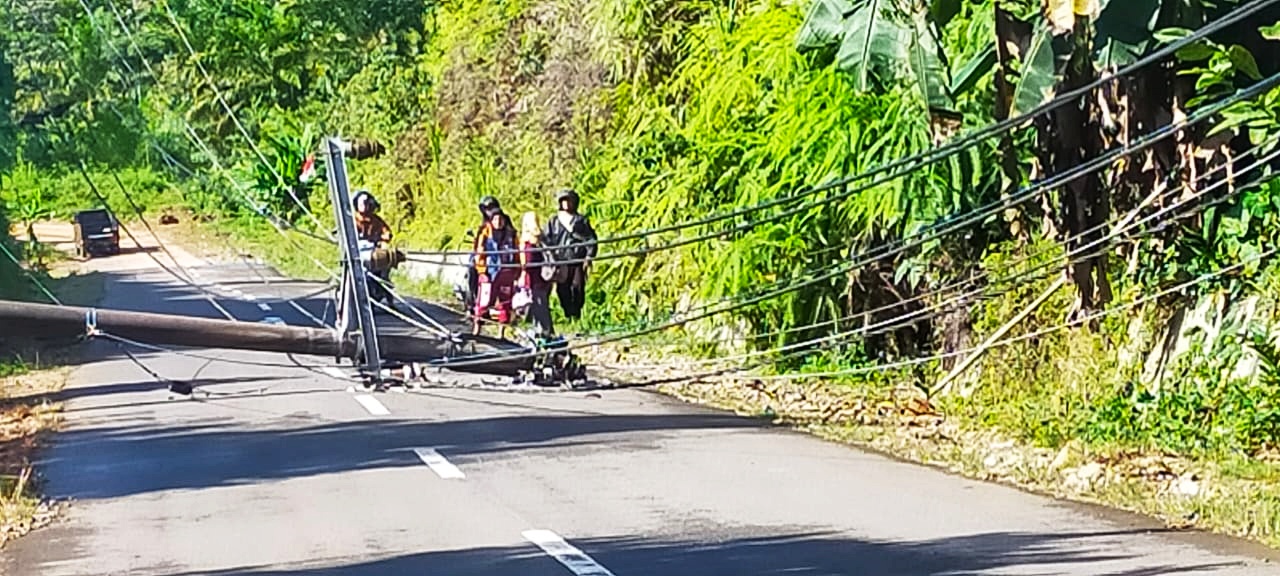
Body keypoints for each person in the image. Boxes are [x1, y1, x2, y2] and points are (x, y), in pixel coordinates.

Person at [542, 188, 597, 321]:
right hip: (560, 261)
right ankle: (567, 313)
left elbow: (591, 239)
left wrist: (589, 256)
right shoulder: (553, 221)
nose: (566, 203)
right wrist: (550, 257)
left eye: (569, 200)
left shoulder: (581, 221)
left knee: (578, 287)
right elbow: (546, 240)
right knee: (563, 289)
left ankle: (576, 313)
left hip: (577, 260)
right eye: (564, 200)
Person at [472, 208, 519, 338]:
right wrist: (482, 271)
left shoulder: (512, 235)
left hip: (506, 273)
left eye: (500, 219)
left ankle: (501, 333)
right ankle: (476, 329)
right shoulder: (485, 233)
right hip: (488, 273)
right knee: (483, 302)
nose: (498, 222)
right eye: (495, 219)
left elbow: (517, 254)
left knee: (505, 304)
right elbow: (479, 253)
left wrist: (517, 271)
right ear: (491, 221)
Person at [516, 211, 555, 339]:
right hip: (541, 279)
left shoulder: (530, 242)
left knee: (540, 307)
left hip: (538, 280)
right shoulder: (539, 241)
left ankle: (546, 333)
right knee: (539, 306)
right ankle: (542, 333)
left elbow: (527, 263)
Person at [352, 190, 394, 306]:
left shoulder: (375, 219)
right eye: (362, 204)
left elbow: (387, 232)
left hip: (374, 251)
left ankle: (389, 298)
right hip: (359, 253)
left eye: (367, 203)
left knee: (385, 270)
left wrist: (384, 236)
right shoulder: (353, 220)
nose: (365, 206)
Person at [466, 196, 503, 311]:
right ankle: (472, 301)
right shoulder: (484, 226)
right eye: (486, 209)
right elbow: (479, 246)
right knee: (472, 268)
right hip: (484, 257)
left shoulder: (503, 221)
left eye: (491, 208)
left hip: (501, 256)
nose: (489, 211)